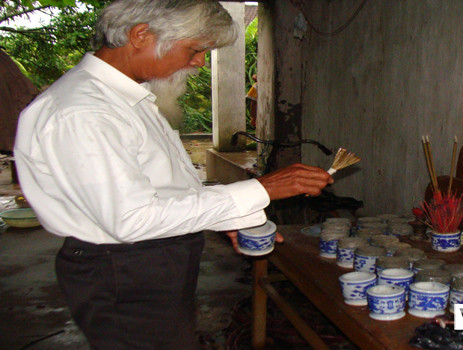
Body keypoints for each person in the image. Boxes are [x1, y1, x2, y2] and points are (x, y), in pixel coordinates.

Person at [13, 1, 332, 349]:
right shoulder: (84, 112)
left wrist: (227, 216)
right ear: (141, 35)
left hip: (146, 259)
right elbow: (132, 219)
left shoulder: (125, 99)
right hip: (123, 270)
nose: (198, 62)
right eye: (195, 49)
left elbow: (160, 187)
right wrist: (261, 189)